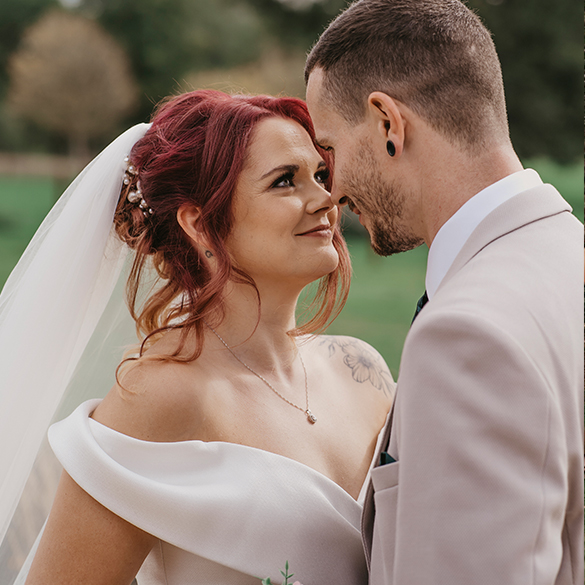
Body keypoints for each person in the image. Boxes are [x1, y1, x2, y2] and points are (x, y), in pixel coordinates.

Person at [0, 90, 394, 584]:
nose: (325, 200)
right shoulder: (159, 396)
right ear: (200, 223)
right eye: (284, 181)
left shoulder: (363, 372)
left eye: (319, 175)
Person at [304, 1, 583, 584]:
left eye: (329, 150)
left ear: (388, 123)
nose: (331, 191)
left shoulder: (468, 336)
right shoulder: (570, 255)